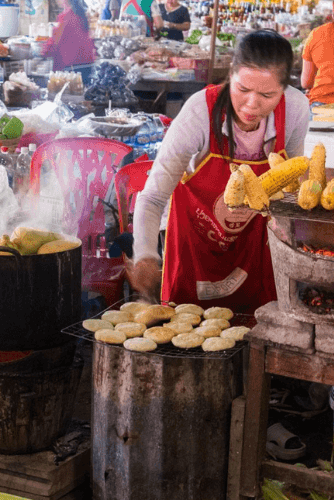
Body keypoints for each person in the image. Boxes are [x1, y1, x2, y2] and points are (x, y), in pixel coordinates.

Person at [128, 30, 310, 314]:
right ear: (230, 76)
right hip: (195, 246)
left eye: (267, 95)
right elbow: (152, 198)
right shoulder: (199, 113)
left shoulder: (296, 110)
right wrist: (146, 256)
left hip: (255, 248)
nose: (251, 104)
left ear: (284, 89)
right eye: (243, 89)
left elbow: (295, 181)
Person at [42, 0, 95, 74]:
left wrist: (43, 52)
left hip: (71, 67)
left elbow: (55, 42)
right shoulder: (81, 15)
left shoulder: (65, 17)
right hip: (87, 64)